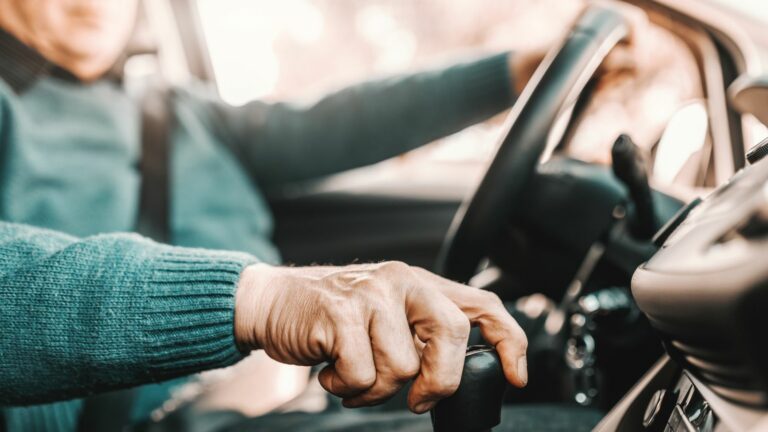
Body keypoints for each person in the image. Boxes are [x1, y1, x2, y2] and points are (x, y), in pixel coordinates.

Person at [0, 0, 637, 431]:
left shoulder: (175, 110)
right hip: (158, 417)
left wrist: (512, 73)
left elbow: (337, 123)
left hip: (302, 387)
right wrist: (261, 302)